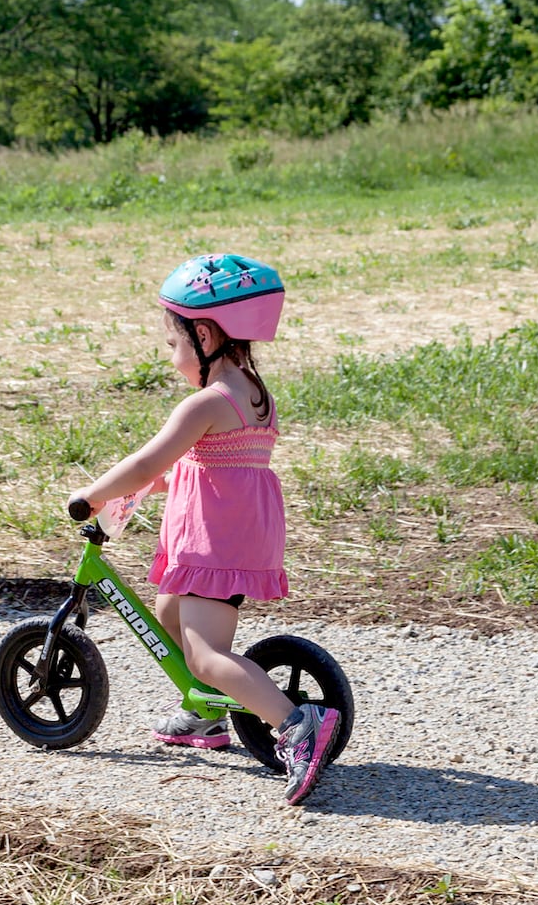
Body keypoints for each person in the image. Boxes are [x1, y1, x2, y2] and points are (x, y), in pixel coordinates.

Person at [66, 254, 339, 806]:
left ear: (206, 334)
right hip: (237, 532)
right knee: (168, 613)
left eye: (174, 344)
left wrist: (91, 496)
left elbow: (148, 461)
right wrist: (160, 488)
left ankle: (295, 725)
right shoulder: (254, 394)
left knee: (204, 654)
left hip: (217, 542)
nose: (171, 358)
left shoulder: (204, 404)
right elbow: (222, 468)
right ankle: (204, 711)